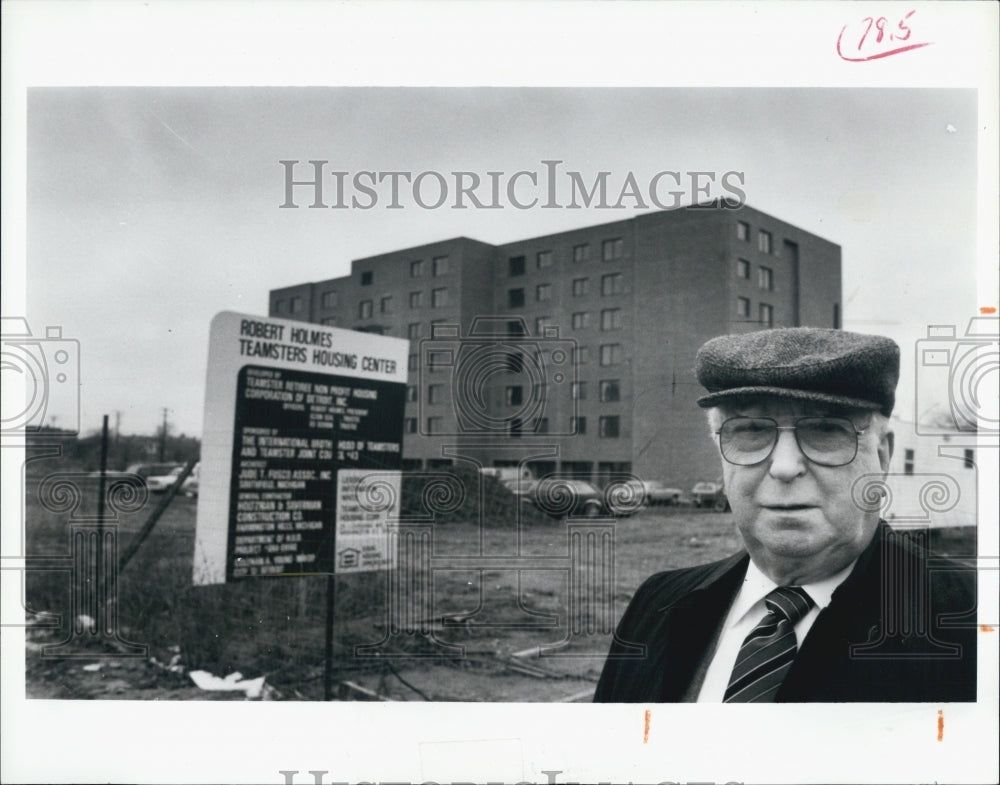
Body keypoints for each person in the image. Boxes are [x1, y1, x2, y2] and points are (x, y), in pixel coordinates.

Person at [594, 327, 977, 702]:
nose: (784, 466)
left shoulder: (972, 620)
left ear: (882, 456)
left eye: (826, 430)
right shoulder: (658, 603)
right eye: (752, 430)